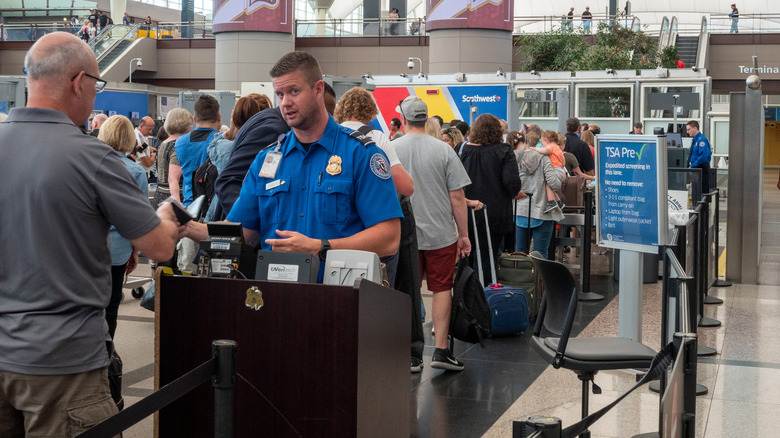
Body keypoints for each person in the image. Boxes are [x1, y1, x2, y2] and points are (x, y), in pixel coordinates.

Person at [0, 32, 180, 437]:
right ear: (79, 82)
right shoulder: (92, 157)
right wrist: (169, 214)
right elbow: (159, 246)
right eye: (97, 85)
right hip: (63, 364)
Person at [184, 51, 402, 279]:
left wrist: (321, 247)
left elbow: (389, 238)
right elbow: (241, 232)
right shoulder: (266, 160)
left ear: (318, 90)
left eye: (294, 92)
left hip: (338, 300)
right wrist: (187, 227)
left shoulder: (360, 154)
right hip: (276, 297)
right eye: (279, 94)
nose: (285, 103)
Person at [334, 86, 419, 370]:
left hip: (337, 232)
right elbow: (405, 185)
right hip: (374, 231)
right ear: (369, 111)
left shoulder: (330, 136)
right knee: (380, 295)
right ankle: (378, 362)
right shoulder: (376, 137)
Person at [394, 96, 472, 372]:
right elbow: (458, 197)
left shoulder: (392, 149)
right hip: (442, 233)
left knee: (408, 291)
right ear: (426, 120)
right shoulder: (444, 150)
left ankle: (411, 354)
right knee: (442, 289)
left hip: (404, 233)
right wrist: (463, 235)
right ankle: (440, 350)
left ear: (403, 120)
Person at [98, 115, 148, 340]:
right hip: (117, 250)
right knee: (110, 305)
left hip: (82, 248)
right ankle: (106, 359)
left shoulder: (85, 164)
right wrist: (134, 251)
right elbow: (138, 220)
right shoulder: (136, 172)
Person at [459, 114, 522, 285]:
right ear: (497, 131)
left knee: (465, 257)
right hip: (495, 213)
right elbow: (512, 184)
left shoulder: (461, 149)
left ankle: (465, 298)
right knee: (489, 258)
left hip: (464, 213)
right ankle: (486, 298)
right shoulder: (504, 151)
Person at [172, 94, 221, 272]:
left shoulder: (181, 143)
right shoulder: (221, 142)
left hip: (189, 211)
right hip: (214, 214)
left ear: (194, 118)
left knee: (187, 268)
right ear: (219, 117)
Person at [204, 94, 271, 222]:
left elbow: (217, 142)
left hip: (218, 212)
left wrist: (233, 128)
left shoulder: (222, 147)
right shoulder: (266, 150)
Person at [515, 139, 565, 259]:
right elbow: (555, 183)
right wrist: (559, 172)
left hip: (521, 210)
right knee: (541, 253)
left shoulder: (516, 158)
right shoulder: (544, 158)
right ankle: (539, 277)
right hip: (543, 211)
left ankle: (522, 277)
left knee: (520, 252)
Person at [154, 108, 193, 207]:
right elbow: (173, 178)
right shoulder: (178, 145)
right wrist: (178, 203)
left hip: (159, 195)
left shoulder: (163, 143)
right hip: (174, 197)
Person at [536, 130, 567, 213]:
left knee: (547, 185)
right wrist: (559, 168)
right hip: (560, 171)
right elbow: (564, 162)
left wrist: (535, 149)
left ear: (546, 140)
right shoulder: (558, 148)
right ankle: (559, 202)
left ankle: (551, 203)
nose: (543, 145)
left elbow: (546, 151)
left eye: (542, 143)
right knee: (552, 188)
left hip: (554, 170)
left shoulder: (550, 147)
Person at [686, 120, 712, 197]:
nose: (687, 132)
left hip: (701, 168)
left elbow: (704, 156)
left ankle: (702, 208)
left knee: (701, 192)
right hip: (695, 169)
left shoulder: (701, 140)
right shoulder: (695, 140)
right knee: (695, 191)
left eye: (688, 129)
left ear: (695, 128)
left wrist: (693, 165)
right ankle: (696, 206)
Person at [133, 115, 158, 181]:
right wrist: (153, 155)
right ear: (141, 126)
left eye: (152, 129)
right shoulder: (138, 139)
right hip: (139, 175)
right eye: (149, 129)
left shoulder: (141, 135)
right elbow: (148, 163)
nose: (150, 132)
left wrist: (148, 148)